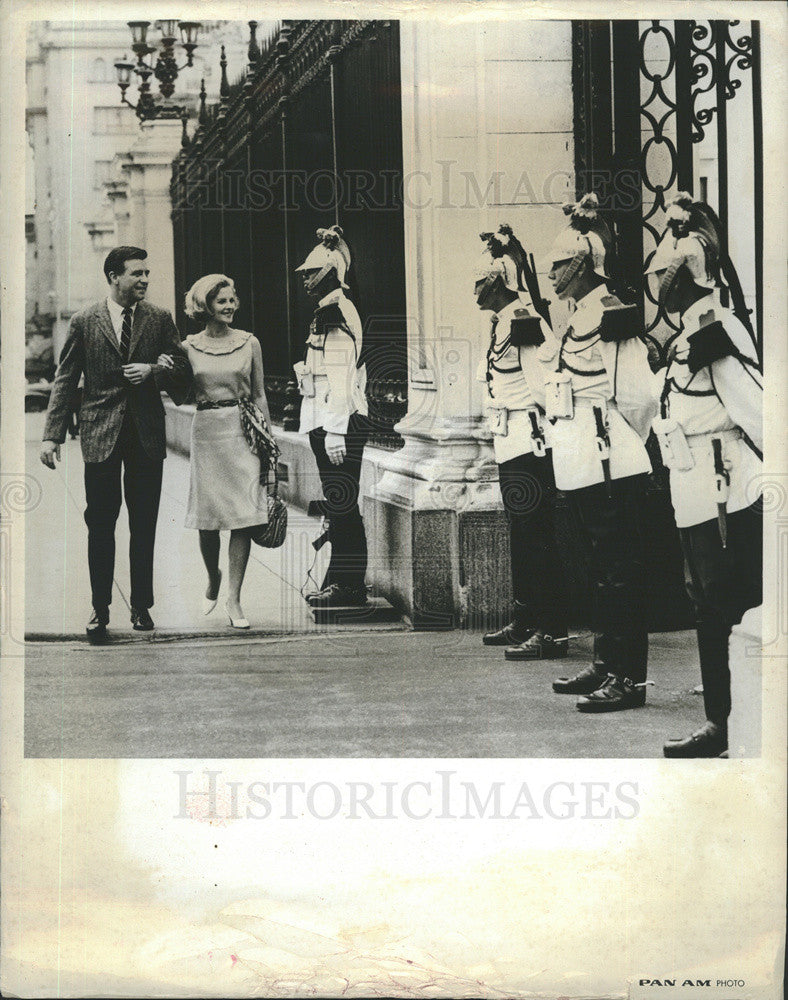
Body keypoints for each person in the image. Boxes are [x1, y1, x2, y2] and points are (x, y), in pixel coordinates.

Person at [646, 193, 763, 757]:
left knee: (727, 604)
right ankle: (723, 719)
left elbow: (759, 413)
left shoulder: (717, 333)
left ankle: (730, 723)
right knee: (706, 603)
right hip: (692, 488)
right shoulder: (690, 333)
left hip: (727, 491)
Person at [542, 195, 658, 712]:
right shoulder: (572, 318)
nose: (551, 274)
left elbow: (640, 398)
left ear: (585, 264)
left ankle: (629, 678)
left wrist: (617, 440)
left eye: (560, 265)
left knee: (621, 572)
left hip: (613, 462)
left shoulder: (613, 315)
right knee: (597, 569)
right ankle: (606, 662)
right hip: (581, 462)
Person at [40, 246, 191, 642]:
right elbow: (66, 377)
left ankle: (141, 605)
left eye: (146, 273)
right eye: (136, 273)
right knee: (101, 524)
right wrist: (52, 435)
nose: (144, 280)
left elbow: (183, 373)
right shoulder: (85, 320)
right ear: (113, 276)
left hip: (145, 434)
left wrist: (155, 370)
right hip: (100, 433)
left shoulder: (159, 318)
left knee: (144, 524)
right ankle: (100, 608)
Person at [474, 224, 570, 660]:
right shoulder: (502, 324)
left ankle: (551, 630)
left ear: (502, 283)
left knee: (537, 538)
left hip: (529, 442)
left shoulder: (526, 325)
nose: (478, 288)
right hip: (508, 439)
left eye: (485, 280)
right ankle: (526, 617)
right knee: (521, 535)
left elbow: (544, 389)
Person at [181, 274, 275, 630]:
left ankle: (234, 597)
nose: (230, 305)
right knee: (208, 519)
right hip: (206, 431)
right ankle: (213, 575)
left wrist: (269, 439)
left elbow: (261, 393)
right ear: (206, 304)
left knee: (243, 516)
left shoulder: (250, 343)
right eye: (222, 301)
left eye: (233, 299)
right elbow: (175, 388)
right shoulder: (188, 347)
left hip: (244, 430)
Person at [294, 225, 370, 610]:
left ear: (327, 273)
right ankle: (339, 578)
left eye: (310, 272)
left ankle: (349, 585)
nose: (305, 278)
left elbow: (341, 374)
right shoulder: (328, 309)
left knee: (343, 504)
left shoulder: (335, 311)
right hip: (325, 419)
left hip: (335, 421)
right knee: (339, 503)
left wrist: (337, 431)